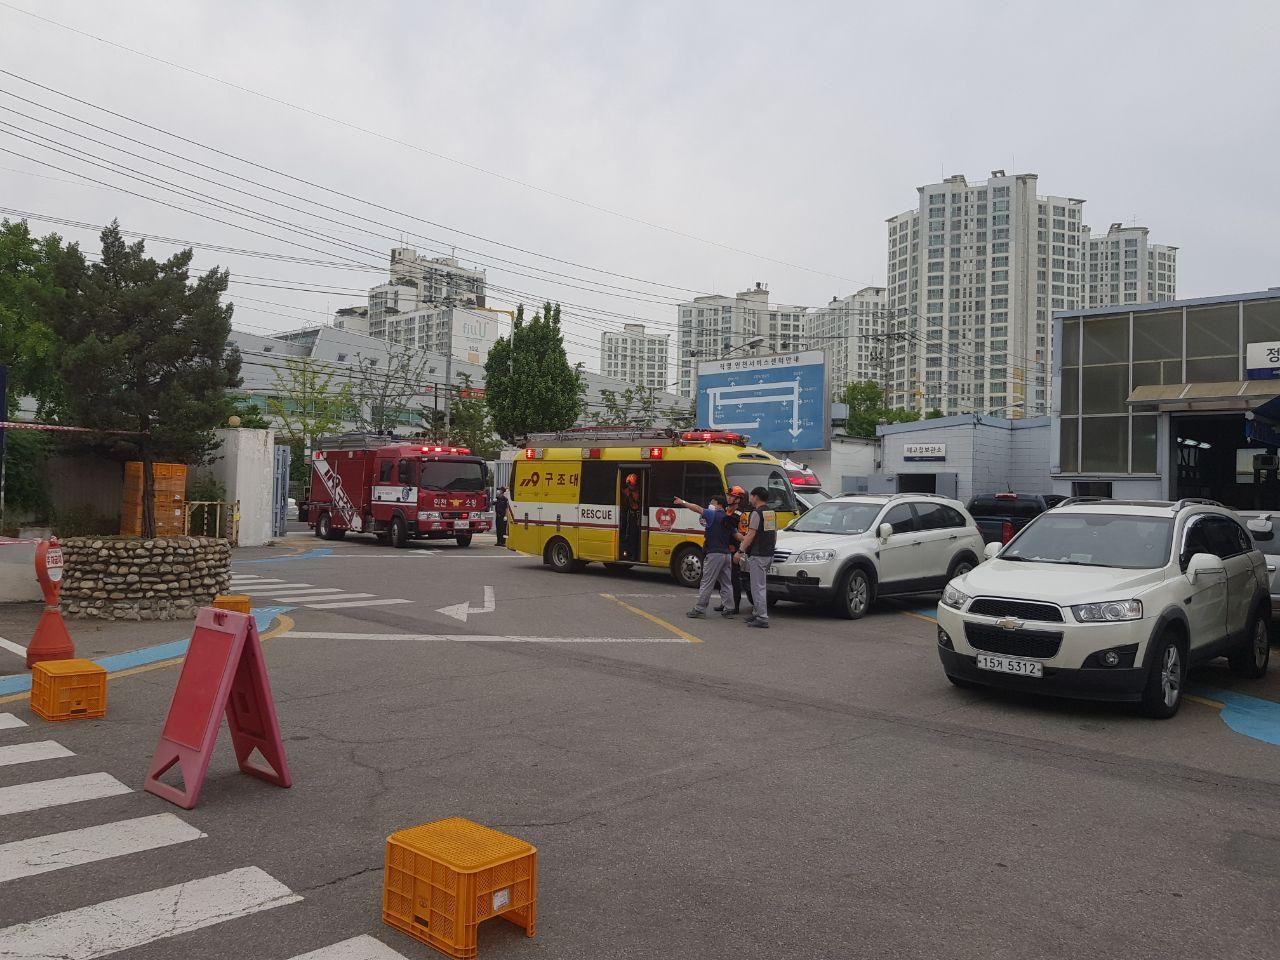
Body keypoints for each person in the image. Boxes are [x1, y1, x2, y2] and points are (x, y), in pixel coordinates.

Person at [673, 493, 734, 618]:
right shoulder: (728, 518)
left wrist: (682, 502)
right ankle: (729, 609)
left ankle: (700, 609)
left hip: (714, 554)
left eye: (712, 503)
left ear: (719, 505)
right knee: (726, 583)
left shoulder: (712, 514)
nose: (710, 505)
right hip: (727, 555)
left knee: (707, 582)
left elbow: (696, 508)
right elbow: (737, 535)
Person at [735, 486, 777, 628]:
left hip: (758, 555)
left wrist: (740, 551)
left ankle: (762, 618)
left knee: (757, 587)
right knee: (761, 586)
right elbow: (773, 534)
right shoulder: (770, 513)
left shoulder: (756, 513)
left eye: (751, 496)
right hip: (768, 554)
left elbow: (751, 534)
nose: (750, 499)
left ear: (756, 497)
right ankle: (757, 612)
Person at [718, 486, 752, 615]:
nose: (728, 497)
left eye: (731, 496)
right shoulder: (725, 511)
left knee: (734, 578)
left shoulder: (741, 515)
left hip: (733, 550)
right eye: (728, 495)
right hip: (722, 548)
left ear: (738, 499)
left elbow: (742, 535)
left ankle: (735, 605)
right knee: (722, 578)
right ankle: (725, 602)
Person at [621, 473, 642, 560]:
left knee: (635, 535)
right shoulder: (627, 491)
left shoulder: (638, 492)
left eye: (631, 484)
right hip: (630, 516)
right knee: (630, 535)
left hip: (636, 515)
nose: (630, 486)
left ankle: (634, 554)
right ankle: (631, 553)